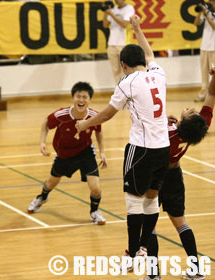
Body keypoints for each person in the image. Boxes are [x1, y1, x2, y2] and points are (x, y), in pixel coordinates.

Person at [75, 15, 170, 264]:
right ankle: (144, 248)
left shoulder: (127, 82)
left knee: (133, 201)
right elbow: (149, 55)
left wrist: (85, 123)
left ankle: (132, 251)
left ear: (123, 63)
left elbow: (107, 114)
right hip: (163, 148)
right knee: (151, 199)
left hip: (141, 148)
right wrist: (138, 29)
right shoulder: (158, 75)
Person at [139, 66, 215, 280]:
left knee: (149, 224)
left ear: (183, 123)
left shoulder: (167, 132)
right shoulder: (197, 129)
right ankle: (196, 270)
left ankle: (153, 274)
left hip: (155, 178)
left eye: (190, 112)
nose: (190, 110)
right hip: (174, 177)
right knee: (180, 222)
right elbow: (211, 94)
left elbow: (145, 124)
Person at [27, 82, 107, 225]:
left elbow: (98, 131)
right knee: (52, 182)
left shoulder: (94, 116)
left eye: (85, 97)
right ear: (73, 98)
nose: (81, 100)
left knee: (95, 188)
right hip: (64, 153)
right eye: (78, 96)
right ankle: (42, 197)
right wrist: (42, 143)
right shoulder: (62, 115)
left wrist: (102, 152)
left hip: (85, 152)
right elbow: (46, 122)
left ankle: (94, 211)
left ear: (89, 100)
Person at [103, 0, 135, 84]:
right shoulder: (113, 9)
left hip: (123, 44)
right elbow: (105, 25)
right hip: (111, 44)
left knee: (126, 70)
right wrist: (105, 12)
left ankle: (128, 90)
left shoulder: (129, 8)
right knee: (115, 71)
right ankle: (119, 90)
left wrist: (111, 14)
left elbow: (124, 24)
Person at [193, 0, 215, 102]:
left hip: (214, 48)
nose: (211, 2)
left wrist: (206, 14)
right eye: (210, 1)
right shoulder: (207, 12)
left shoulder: (208, 14)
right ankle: (203, 94)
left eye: (213, 1)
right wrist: (200, 13)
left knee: (214, 73)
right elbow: (196, 23)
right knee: (204, 72)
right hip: (204, 47)